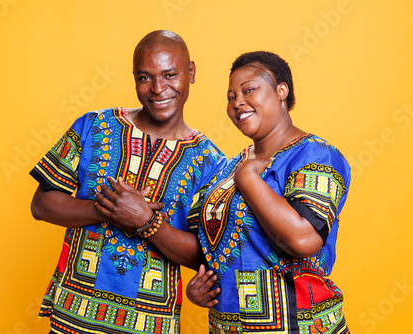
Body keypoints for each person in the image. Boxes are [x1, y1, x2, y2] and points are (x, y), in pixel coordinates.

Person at [30, 30, 225, 334]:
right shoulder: (94, 125)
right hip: (73, 315)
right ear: (134, 77)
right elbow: (41, 205)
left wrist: (147, 220)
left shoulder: (211, 163)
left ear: (191, 72)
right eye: (145, 77)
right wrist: (109, 210)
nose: (158, 89)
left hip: (150, 324)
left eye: (170, 74)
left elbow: (207, 253)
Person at [186, 51, 351, 333]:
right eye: (230, 97)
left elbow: (303, 239)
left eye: (248, 90)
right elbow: (212, 248)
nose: (237, 102)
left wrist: (248, 179)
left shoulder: (315, 155)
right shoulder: (230, 167)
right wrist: (200, 287)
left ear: (281, 91)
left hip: (298, 325)